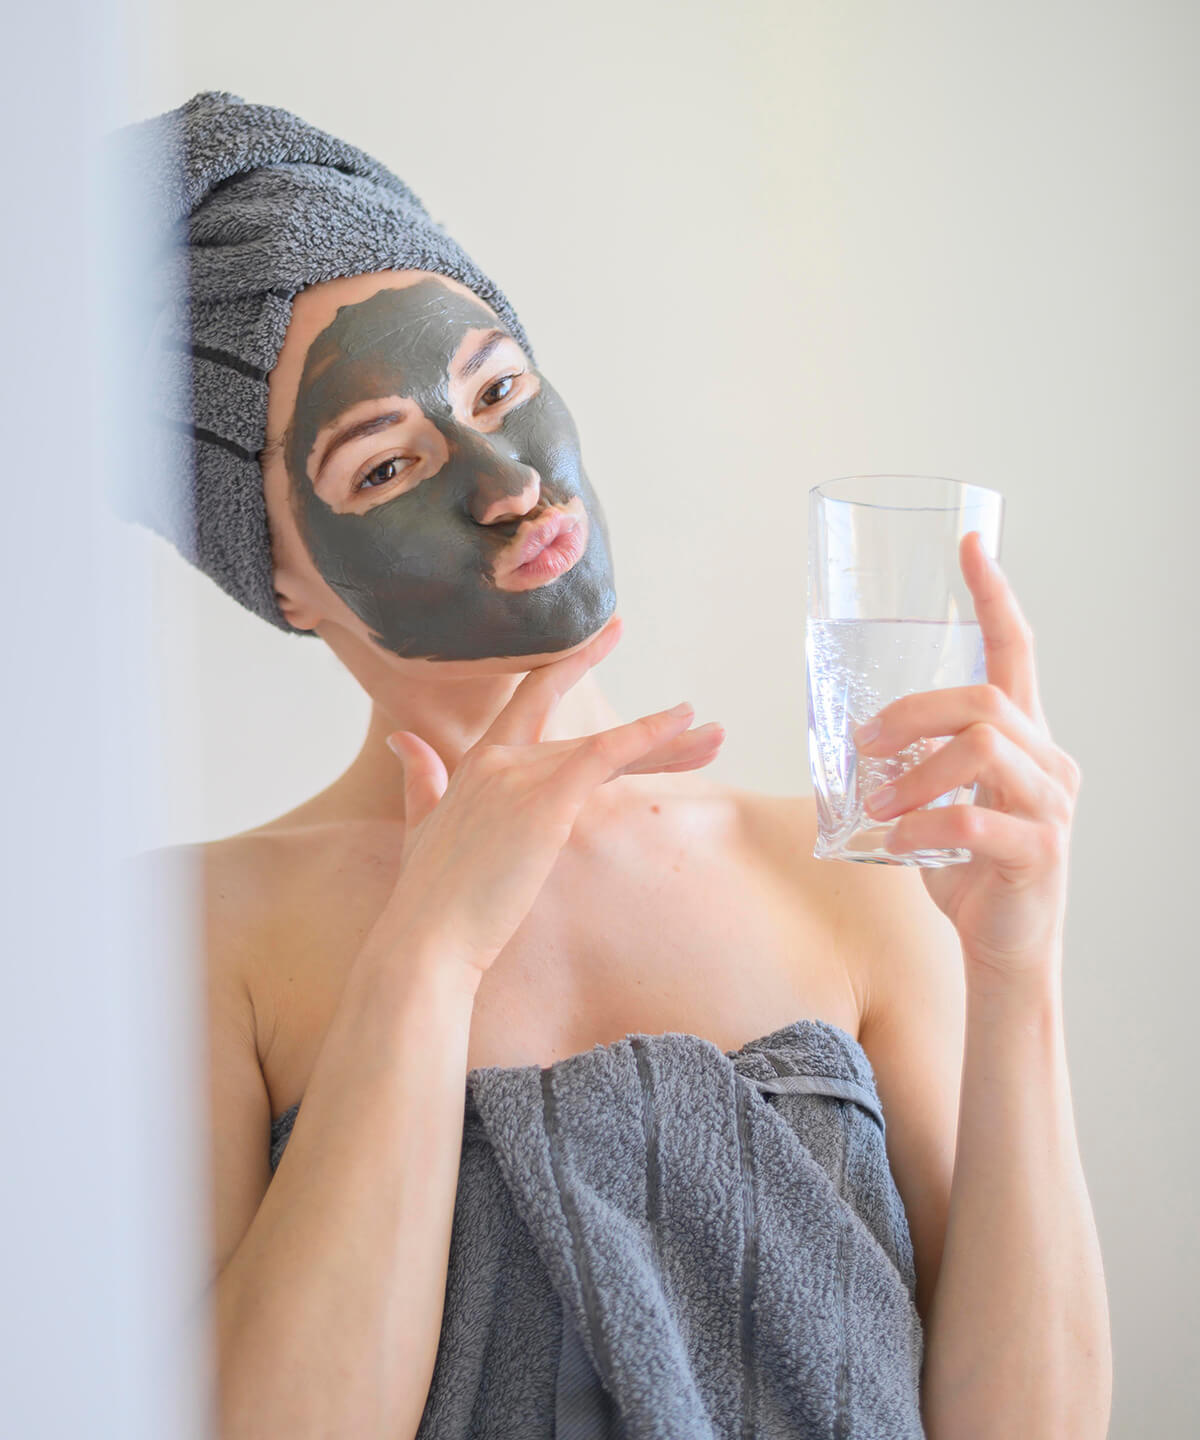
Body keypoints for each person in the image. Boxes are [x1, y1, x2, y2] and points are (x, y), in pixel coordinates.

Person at [119, 91, 1109, 1440]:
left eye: (499, 388)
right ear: (279, 577)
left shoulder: (851, 874)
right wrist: (427, 953)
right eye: (387, 460)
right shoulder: (196, 940)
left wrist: (1018, 973)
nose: (508, 484)